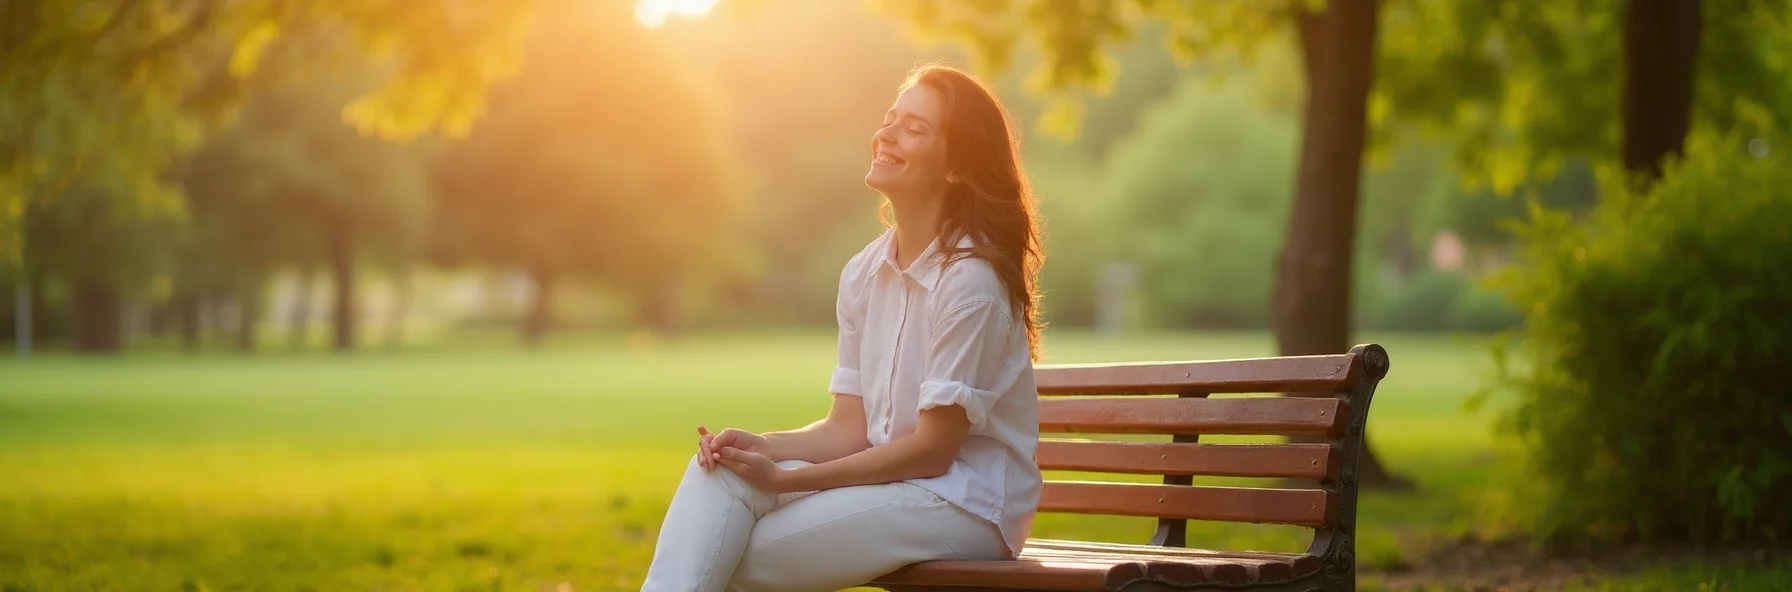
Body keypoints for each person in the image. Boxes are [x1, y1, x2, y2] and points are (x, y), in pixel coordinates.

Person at [639, 64, 1047, 592]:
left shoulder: (970, 281)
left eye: (915, 128)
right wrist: (764, 448)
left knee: (726, 554)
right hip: (893, 486)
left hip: (964, 504)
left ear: (955, 168)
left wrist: (790, 479)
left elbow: (933, 451)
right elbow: (848, 428)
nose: (887, 134)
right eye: (889, 119)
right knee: (718, 476)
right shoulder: (862, 273)